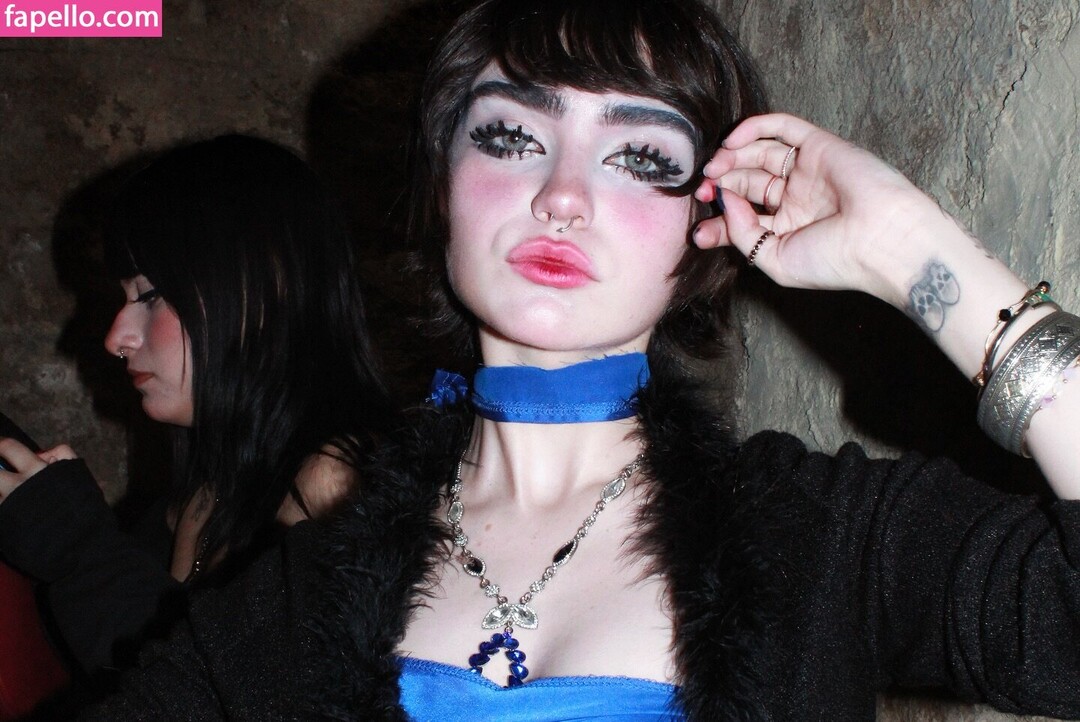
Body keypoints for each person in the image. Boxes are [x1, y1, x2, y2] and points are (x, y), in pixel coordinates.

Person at [85, 1, 1080, 719]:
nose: (562, 194)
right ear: (440, 187)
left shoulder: (821, 538)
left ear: (704, 225)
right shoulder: (304, 591)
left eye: (640, 157)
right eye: (510, 137)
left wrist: (913, 250)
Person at [0, 135, 392, 680]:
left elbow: (241, 695)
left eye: (150, 296)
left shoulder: (337, 484)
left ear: (262, 287)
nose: (116, 338)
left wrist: (79, 548)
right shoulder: (209, 485)